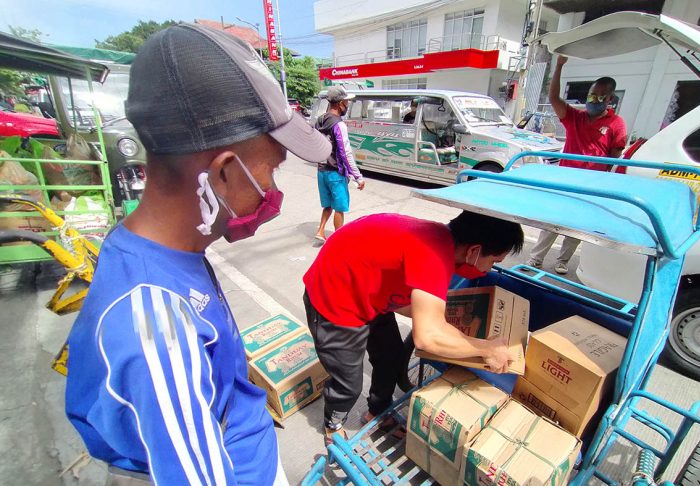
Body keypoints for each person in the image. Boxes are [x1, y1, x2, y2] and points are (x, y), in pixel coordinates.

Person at [64, 24, 331, 485]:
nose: (273, 191)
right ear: (222, 173)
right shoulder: (158, 329)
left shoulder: (160, 245)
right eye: (271, 171)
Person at [303, 211, 523, 444]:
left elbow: (415, 309)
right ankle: (333, 424)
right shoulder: (434, 256)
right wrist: (486, 349)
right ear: (474, 251)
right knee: (348, 384)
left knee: (391, 357)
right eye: (494, 261)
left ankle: (377, 411)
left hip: (371, 293)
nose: (489, 269)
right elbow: (427, 339)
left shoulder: (442, 241)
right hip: (335, 300)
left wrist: (452, 331)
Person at [528, 55, 627, 275]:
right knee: (552, 220)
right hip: (566, 179)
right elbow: (553, 97)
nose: (595, 99)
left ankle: (562, 261)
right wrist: (559, 66)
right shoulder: (575, 117)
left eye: (601, 96)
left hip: (591, 184)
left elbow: (615, 155)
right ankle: (536, 258)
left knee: (575, 225)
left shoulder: (616, 124)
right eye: (592, 94)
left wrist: (604, 183)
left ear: (610, 98)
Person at [314, 86, 365, 243]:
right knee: (339, 208)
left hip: (321, 171)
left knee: (327, 205)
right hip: (335, 173)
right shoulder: (339, 125)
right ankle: (338, 241)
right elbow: (346, 152)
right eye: (347, 102)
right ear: (340, 103)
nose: (348, 105)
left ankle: (320, 231)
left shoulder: (320, 120)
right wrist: (358, 176)